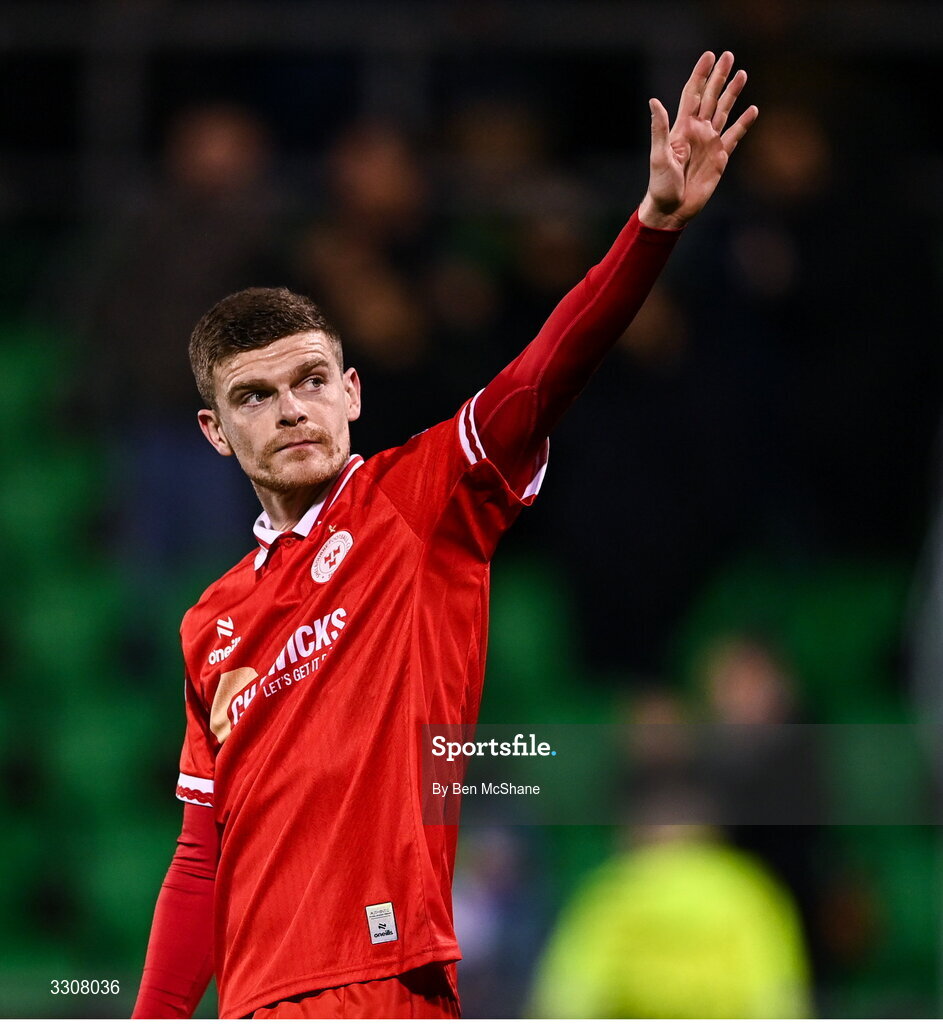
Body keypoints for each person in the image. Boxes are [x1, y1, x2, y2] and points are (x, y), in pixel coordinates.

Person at [132, 52, 757, 1019]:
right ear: (216, 432)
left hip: (381, 986)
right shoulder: (211, 623)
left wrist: (652, 228)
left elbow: (539, 377)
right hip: (253, 1005)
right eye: (254, 396)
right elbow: (199, 858)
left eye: (310, 381)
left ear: (351, 393)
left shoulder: (415, 501)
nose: (291, 410)